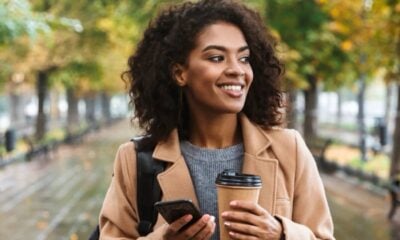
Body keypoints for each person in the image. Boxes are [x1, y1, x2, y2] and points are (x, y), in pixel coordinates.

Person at [99, 0, 335, 239]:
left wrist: (281, 234)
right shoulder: (135, 159)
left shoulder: (289, 149)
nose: (237, 70)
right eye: (216, 58)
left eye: (244, 58)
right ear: (180, 73)